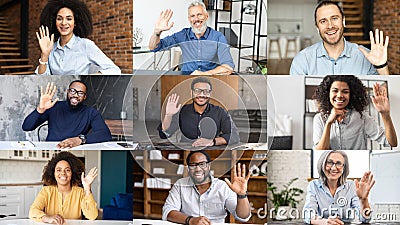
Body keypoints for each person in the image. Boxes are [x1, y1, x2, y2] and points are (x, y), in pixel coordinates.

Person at [290, 0, 389, 75]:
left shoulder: (366, 57)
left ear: (343, 21)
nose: (330, 26)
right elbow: (295, 97)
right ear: (317, 27)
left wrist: (382, 67)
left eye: (334, 18)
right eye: (323, 21)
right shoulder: (302, 60)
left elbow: (385, 97)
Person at [162, 150, 251, 224]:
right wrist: (190, 220)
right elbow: (168, 212)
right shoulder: (180, 185)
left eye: (202, 164)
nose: (198, 169)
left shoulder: (222, 186)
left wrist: (241, 195)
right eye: (193, 165)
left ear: (209, 166)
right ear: (188, 168)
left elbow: (243, 217)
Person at [35, 0, 121, 75]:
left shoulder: (85, 45)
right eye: (59, 19)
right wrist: (44, 54)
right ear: (54, 22)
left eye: (69, 19)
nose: (64, 23)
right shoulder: (51, 48)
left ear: (75, 22)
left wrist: (90, 78)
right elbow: (42, 78)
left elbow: (114, 70)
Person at [148, 1, 234, 75]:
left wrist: (205, 74)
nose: (196, 19)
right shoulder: (182, 35)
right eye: (192, 16)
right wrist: (157, 32)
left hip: (209, 82)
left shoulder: (218, 37)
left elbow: (228, 67)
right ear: (189, 19)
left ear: (206, 16)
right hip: (186, 81)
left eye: (199, 15)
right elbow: (154, 47)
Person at [312, 75, 397, 150]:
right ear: (328, 93)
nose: (339, 95)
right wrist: (329, 123)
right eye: (335, 90)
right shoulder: (319, 118)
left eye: (345, 92)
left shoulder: (361, 117)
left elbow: (391, 143)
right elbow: (320, 151)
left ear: (351, 95)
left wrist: (385, 114)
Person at [22, 80, 112, 149]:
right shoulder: (54, 106)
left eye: (80, 93)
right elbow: (26, 127)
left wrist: (79, 140)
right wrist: (40, 109)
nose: (76, 95)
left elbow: (105, 135)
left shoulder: (91, 112)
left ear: (85, 97)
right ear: (68, 92)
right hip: (52, 148)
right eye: (73, 91)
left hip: (75, 148)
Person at [157, 77, 240, 147]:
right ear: (191, 92)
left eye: (206, 91)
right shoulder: (182, 112)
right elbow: (164, 134)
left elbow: (234, 136)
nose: (202, 95)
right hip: (186, 150)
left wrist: (212, 142)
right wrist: (168, 115)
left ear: (210, 94)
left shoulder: (220, 112)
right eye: (197, 90)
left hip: (211, 150)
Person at [303, 150, 375, 224]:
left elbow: (365, 219)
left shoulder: (351, 186)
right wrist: (323, 222)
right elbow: (308, 214)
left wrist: (363, 200)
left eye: (339, 163)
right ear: (322, 165)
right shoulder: (314, 185)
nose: (334, 168)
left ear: (344, 168)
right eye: (329, 162)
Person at [29, 151, 98, 225]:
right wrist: (48, 218)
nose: (63, 173)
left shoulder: (80, 192)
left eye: (67, 170)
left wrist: (87, 188)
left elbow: (92, 216)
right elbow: (33, 211)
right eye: (59, 170)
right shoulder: (46, 191)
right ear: (53, 173)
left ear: (72, 173)